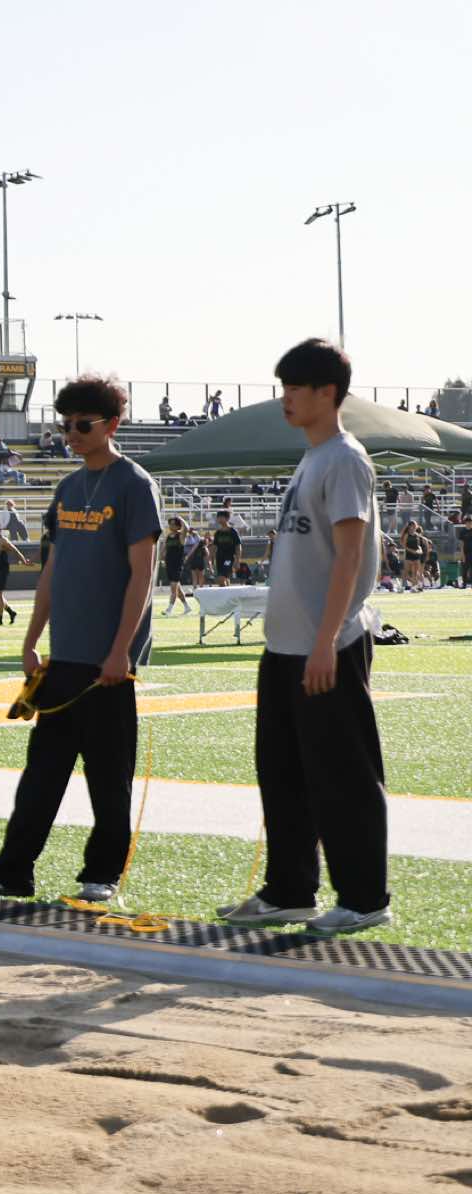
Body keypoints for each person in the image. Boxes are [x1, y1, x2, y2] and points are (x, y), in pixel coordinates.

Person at [0, 375, 162, 908]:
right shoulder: (67, 488)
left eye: (82, 425)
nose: (71, 434)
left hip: (108, 663)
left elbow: (143, 575)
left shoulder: (135, 485)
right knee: (42, 774)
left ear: (112, 424)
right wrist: (30, 639)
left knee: (108, 779)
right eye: (65, 424)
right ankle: (12, 871)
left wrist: (121, 649)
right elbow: (52, 570)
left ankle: (101, 874)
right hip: (62, 659)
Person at [221, 339, 391, 934]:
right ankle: (290, 891)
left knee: (343, 777)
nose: (285, 398)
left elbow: (350, 556)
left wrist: (326, 641)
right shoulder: (312, 458)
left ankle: (365, 899)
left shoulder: (344, 458)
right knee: (284, 776)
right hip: (286, 648)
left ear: (328, 392)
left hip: (328, 647)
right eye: (284, 387)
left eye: (295, 387)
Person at [0, 517, 29, 625]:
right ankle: (11, 612)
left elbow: (15, 550)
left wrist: (23, 560)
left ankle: (0, 619)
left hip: (2, 570)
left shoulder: (2, 540)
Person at [160, 516, 191, 614]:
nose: (171, 526)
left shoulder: (181, 536)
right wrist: (162, 559)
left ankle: (169, 610)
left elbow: (186, 528)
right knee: (177, 587)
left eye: (174, 524)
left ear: (178, 526)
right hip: (169, 564)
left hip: (177, 565)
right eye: (170, 524)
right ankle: (187, 607)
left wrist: (181, 519)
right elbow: (163, 550)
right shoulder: (168, 536)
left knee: (173, 588)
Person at [211, 509, 243, 585]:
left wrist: (237, 561)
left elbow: (238, 547)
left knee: (221, 578)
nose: (219, 519)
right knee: (224, 580)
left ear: (227, 518)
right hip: (219, 558)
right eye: (218, 517)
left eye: (221, 517)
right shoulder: (217, 533)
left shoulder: (233, 531)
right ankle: (228, 591)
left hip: (229, 558)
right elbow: (214, 547)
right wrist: (211, 559)